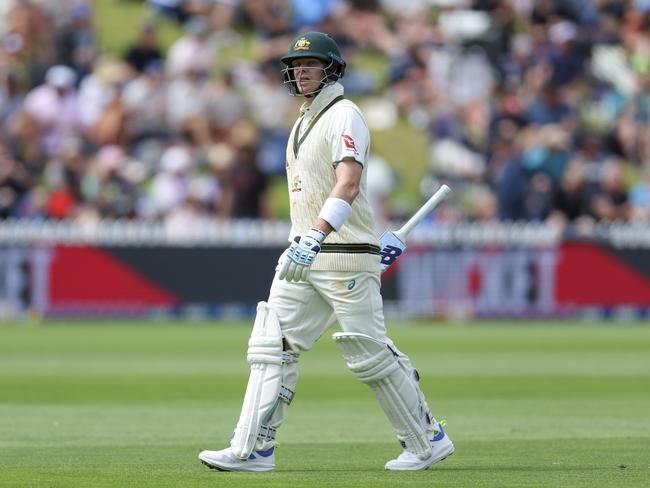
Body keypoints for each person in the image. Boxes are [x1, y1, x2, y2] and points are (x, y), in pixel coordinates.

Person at [198, 31, 454, 472]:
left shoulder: (345, 114)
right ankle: (253, 449)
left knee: (368, 352)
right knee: (270, 345)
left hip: (339, 253)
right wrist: (310, 239)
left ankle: (427, 440)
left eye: (311, 64)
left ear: (332, 68)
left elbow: (349, 183)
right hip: (303, 253)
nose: (301, 71)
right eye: (296, 66)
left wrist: (324, 234)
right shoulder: (302, 121)